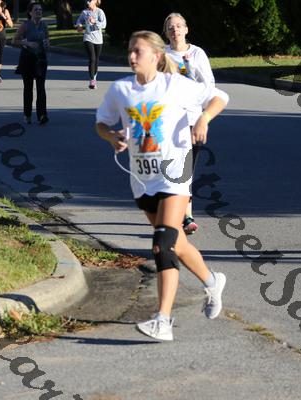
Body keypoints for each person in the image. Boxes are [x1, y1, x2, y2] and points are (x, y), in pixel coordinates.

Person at [95, 30, 229, 341]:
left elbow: (219, 96)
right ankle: (212, 282)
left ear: (156, 56)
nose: (131, 56)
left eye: (138, 51)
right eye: (130, 50)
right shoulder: (121, 89)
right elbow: (101, 122)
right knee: (176, 243)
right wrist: (111, 136)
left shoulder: (174, 85)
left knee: (162, 243)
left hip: (174, 173)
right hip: (142, 179)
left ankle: (163, 320)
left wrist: (203, 119)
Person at [163, 12, 215, 236]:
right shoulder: (162, 54)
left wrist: (190, 68)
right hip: (168, 121)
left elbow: (209, 84)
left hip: (193, 119)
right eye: (170, 27)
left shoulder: (197, 53)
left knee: (187, 170)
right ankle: (186, 217)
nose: (175, 30)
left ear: (186, 29)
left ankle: (182, 215)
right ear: (166, 33)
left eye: (178, 26)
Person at [13, 1, 49, 125]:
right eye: (36, 10)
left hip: (40, 59)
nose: (39, 11)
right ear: (30, 12)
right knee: (28, 88)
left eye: (40, 9)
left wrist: (47, 44)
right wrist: (27, 43)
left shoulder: (44, 25)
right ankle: (27, 114)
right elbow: (14, 40)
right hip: (27, 58)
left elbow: (47, 39)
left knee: (41, 87)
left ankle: (42, 115)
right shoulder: (26, 25)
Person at [75, 0, 106, 89]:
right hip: (88, 38)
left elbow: (104, 24)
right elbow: (79, 21)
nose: (88, 2)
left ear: (96, 1)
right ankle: (92, 80)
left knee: (96, 60)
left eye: (90, 0)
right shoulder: (84, 12)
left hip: (98, 39)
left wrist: (94, 21)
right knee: (92, 58)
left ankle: (94, 78)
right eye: (87, 0)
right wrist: (79, 26)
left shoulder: (100, 12)